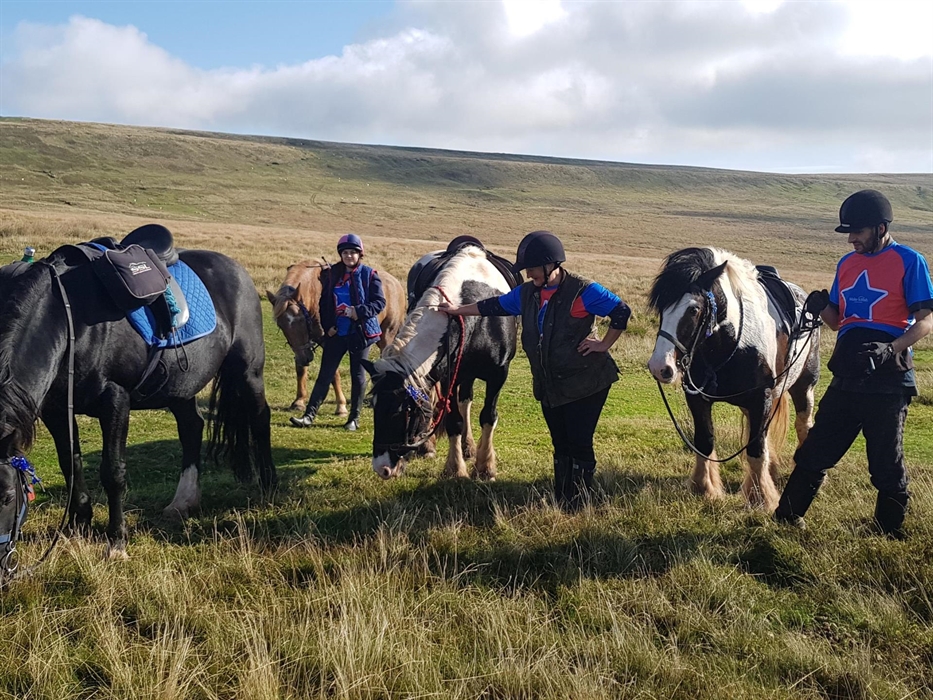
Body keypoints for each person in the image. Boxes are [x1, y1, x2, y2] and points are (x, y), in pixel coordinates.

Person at [774, 190, 933, 539]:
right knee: (815, 451)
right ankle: (786, 519)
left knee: (885, 464)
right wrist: (820, 305)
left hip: (889, 379)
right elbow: (837, 321)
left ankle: (886, 534)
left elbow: (926, 320)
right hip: (847, 373)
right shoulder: (846, 265)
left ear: (880, 227)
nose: (851, 238)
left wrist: (891, 348)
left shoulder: (910, 260)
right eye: (849, 232)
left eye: (858, 231)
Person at [439, 230, 632, 511]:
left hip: (586, 382)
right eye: (526, 269)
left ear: (552, 264)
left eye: (533, 268)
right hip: (550, 383)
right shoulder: (527, 293)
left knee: (579, 442)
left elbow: (621, 312)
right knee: (560, 443)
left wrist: (603, 344)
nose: (529, 274)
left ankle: (579, 502)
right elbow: (492, 306)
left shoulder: (584, 290)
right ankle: (562, 497)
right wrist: (457, 310)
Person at [290, 234, 386, 431]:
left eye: (353, 252)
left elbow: (379, 303)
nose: (349, 256)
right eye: (345, 252)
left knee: (357, 375)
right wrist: (329, 326)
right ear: (340, 254)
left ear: (360, 254)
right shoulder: (332, 274)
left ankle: (354, 418)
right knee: (325, 374)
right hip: (337, 333)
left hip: (360, 333)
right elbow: (324, 303)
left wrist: (357, 312)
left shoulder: (370, 275)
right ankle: (308, 416)